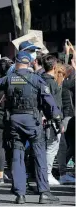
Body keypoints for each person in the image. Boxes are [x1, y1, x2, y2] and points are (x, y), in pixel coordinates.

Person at [0, 51, 61, 204]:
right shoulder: (37, 79)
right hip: (32, 121)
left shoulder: (9, 79)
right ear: (29, 62)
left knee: (17, 157)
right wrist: (56, 119)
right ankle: (44, 193)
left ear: (16, 62)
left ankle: (20, 194)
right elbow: (50, 103)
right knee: (39, 156)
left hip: (14, 121)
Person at [41, 55, 64, 185]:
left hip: (42, 119)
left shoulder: (39, 79)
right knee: (51, 148)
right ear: (54, 67)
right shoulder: (52, 83)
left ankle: (43, 173)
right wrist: (59, 122)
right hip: (51, 121)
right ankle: (47, 174)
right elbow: (54, 105)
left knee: (45, 148)